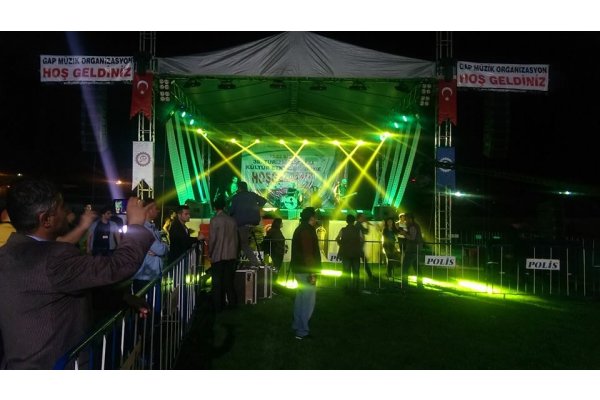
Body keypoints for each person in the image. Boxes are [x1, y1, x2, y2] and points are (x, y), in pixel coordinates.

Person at [0, 178, 154, 369]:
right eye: (62, 207)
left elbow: (60, 293)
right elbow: (118, 266)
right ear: (46, 219)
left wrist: (121, 299)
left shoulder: (7, 253)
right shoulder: (54, 258)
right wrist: (136, 225)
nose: (68, 212)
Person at [131, 198, 169, 307]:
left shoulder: (152, 227)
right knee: (146, 310)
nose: (158, 211)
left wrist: (163, 247)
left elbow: (162, 248)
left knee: (151, 309)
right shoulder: (144, 228)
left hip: (151, 275)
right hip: (144, 277)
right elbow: (161, 249)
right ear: (149, 209)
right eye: (156, 208)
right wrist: (164, 247)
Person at [290, 207, 320, 340]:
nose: (316, 219)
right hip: (306, 270)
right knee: (308, 301)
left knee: (301, 298)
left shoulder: (300, 229)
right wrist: (312, 272)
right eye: (315, 216)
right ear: (311, 217)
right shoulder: (307, 231)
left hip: (299, 269)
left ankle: (297, 324)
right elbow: (308, 253)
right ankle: (302, 331)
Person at [208, 196, 239, 312]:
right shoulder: (232, 220)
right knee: (229, 283)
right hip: (231, 256)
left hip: (218, 255)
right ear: (225, 207)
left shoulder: (214, 220)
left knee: (217, 283)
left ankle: (218, 306)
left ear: (215, 208)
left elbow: (212, 239)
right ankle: (232, 305)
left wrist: (210, 252)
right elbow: (236, 239)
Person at [229, 181, 268, 267]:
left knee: (244, 244)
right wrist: (256, 209)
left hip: (242, 224)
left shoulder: (236, 197)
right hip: (254, 222)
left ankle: (255, 263)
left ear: (239, 188)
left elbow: (231, 211)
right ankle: (237, 263)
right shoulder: (252, 195)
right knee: (241, 243)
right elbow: (264, 200)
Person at [335, 214, 362, 293]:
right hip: (356, 253)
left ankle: (347, 288)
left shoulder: (343, 230)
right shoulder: (358, 230)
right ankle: (355, 289)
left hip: (346, 253)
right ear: (354, 221)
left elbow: (337, 238)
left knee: (346, 271)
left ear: (346, 221)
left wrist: (341, 244)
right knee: (356, 272)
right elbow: (361, 240)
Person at [400, 213, 423, 289]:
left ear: (410, 219)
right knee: (417, 268)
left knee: (405, 267)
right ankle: (420, 285)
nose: (405, 221)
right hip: (416, 249)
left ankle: (404, 285)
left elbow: (412, 238)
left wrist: (404, 234)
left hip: (411, 249)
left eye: (406, 219)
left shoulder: (412, 226)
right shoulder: (415, 225)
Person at [263, 218, 285, 284]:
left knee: (274, 269)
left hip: (275, 253)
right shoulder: (276, 232)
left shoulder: (273, 231)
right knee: (275, 269)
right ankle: (273, 283)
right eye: (281, 222)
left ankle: (272, 283)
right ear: (278, 223)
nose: (282, 224)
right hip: (276, 254)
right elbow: (278, 242)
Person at [356, 213, 374, 280]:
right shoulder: (358, 225)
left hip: (358, 246)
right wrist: (367, 224)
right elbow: (366, 232)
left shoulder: (358, 224)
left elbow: (366, 232)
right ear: (360, 218)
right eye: (363, 217)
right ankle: (369, 275)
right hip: (358, 247)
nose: (364, 218)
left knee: (361, 261)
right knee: (363, 261)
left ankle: (368, 275)